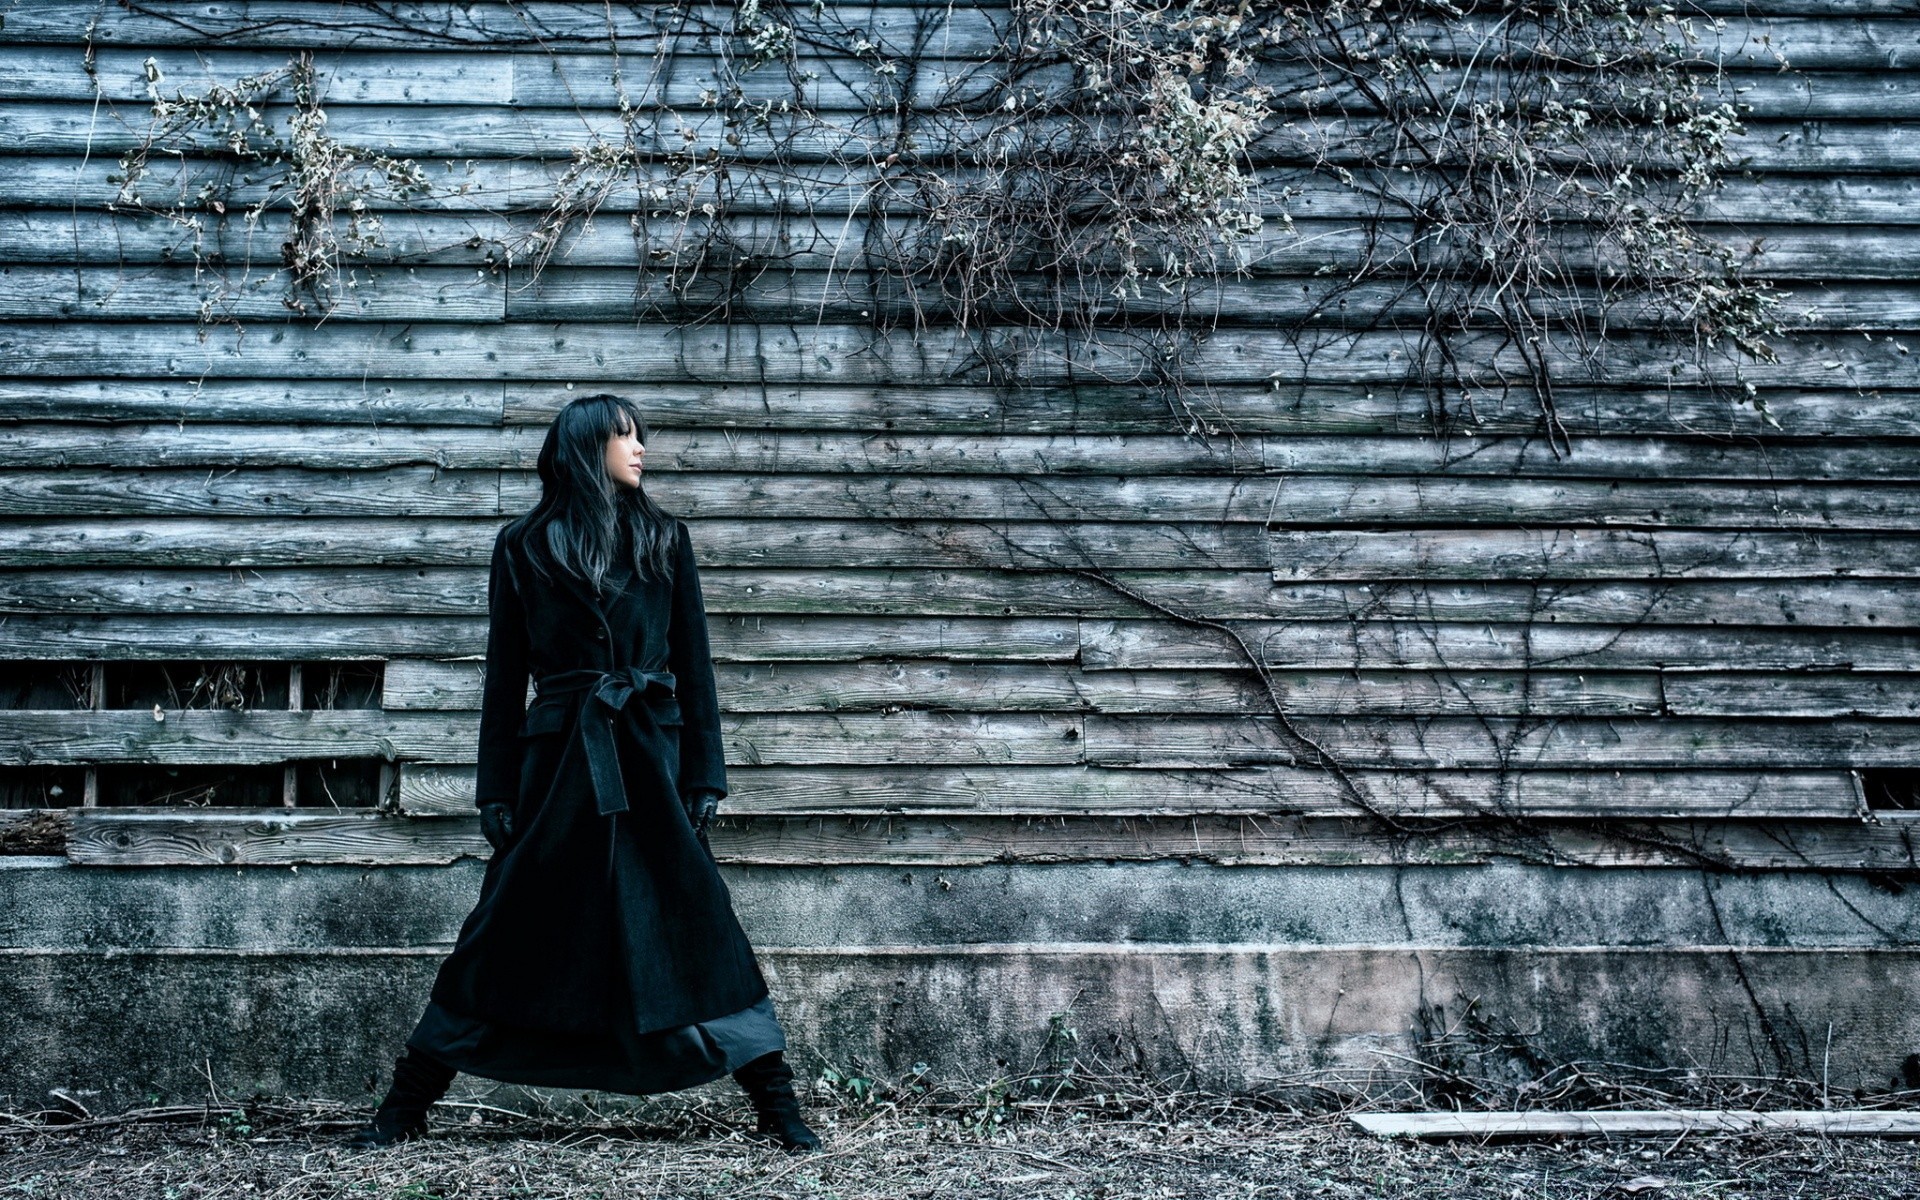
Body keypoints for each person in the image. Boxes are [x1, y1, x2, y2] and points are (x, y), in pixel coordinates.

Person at [349, 394, 821, 1154]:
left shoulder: (667, 539)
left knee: (699, 927)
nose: (640, 450)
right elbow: (503, 679)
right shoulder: (524, 545)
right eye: (625, 437)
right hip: (556, 766)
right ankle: (402, 1111)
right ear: (584, 446)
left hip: (653, 765)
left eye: (641, 437)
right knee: (503, 930)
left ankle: (779, 1108)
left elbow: (695, 667)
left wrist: (703, 776)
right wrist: (496, 789)